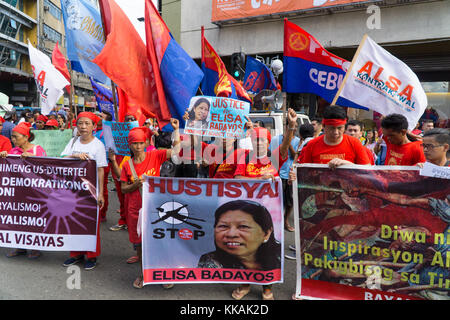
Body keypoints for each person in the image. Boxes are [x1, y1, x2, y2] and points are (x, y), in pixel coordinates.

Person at [231, 108, 298, 301]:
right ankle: (244, 284)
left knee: (268, 251)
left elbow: (286, 146)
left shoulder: (275, 158)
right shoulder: (244, 158)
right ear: (251, 142)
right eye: (255, 140)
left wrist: (291, 126)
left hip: (271, 215)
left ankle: (267, 287)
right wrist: (261, 178)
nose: (258, 143)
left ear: (268, 142)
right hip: (246, 214)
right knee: (245, 249)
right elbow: (237, 178)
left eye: (262, 140)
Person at [119, 119, 181, 289]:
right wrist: (135, 185)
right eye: (135, 144)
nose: (138, 147)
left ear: (146, 143)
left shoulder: (155, 155)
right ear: (130, 145)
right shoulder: (127, 165)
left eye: (141, 143)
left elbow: (176, 152)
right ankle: (144, 273)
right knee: (139, 245)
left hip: (155, 208)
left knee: (160, 240)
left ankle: (164, 274)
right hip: (134, 210)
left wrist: (176, 130)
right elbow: (123, 189)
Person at [60, 112, 107, 270]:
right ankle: (76, 254)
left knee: (90, 223)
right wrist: (75, 155)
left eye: (87, 123)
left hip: (91, 192)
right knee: (73, 222)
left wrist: (100, 193)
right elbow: (62, 159)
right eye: (80, 123)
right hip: (73, 191)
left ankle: (92, 256)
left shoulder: (98, 146)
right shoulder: (73, 141)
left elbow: (100, 170)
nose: (83, 127)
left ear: (94, 126)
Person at [0, 122, 47, 259]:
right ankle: (19, 246)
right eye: (12, 137)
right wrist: (4, 156)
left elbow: (46, 170)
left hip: (34, 193)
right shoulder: (13, 152)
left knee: (33, 220)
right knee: (18, 219)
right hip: (18, 192)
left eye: (15, 137)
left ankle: (35, 248)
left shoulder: (38, 150)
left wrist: (33, 159)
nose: (13, 140)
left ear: (26, 137)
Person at [198, 200, 281, 271]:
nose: (231, 234)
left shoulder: (279, 256)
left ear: (266, 234)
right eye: (223, 226)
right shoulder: (210, 261)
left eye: (243, 226)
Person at [297, 106, 371, 168]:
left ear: (344, 127)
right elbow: (305, 173)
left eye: (339, 128)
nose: (336, 132)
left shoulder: (355, 143)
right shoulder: (312, 145)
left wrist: (346, 164)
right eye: (331, 128)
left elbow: (367, 170)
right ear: (323, 127)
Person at [269, 118, 300, 232]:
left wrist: (286, 143)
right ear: (286, 127)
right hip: (277, 174)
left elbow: (294, 155)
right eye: (292, 126)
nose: (295, 128)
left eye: (296, 126)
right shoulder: (275, 139)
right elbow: (271, 156)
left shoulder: (297, 140)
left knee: (290, 201)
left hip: (291, 175)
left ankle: (285, 220)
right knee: (277, 200)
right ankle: (276, 221)